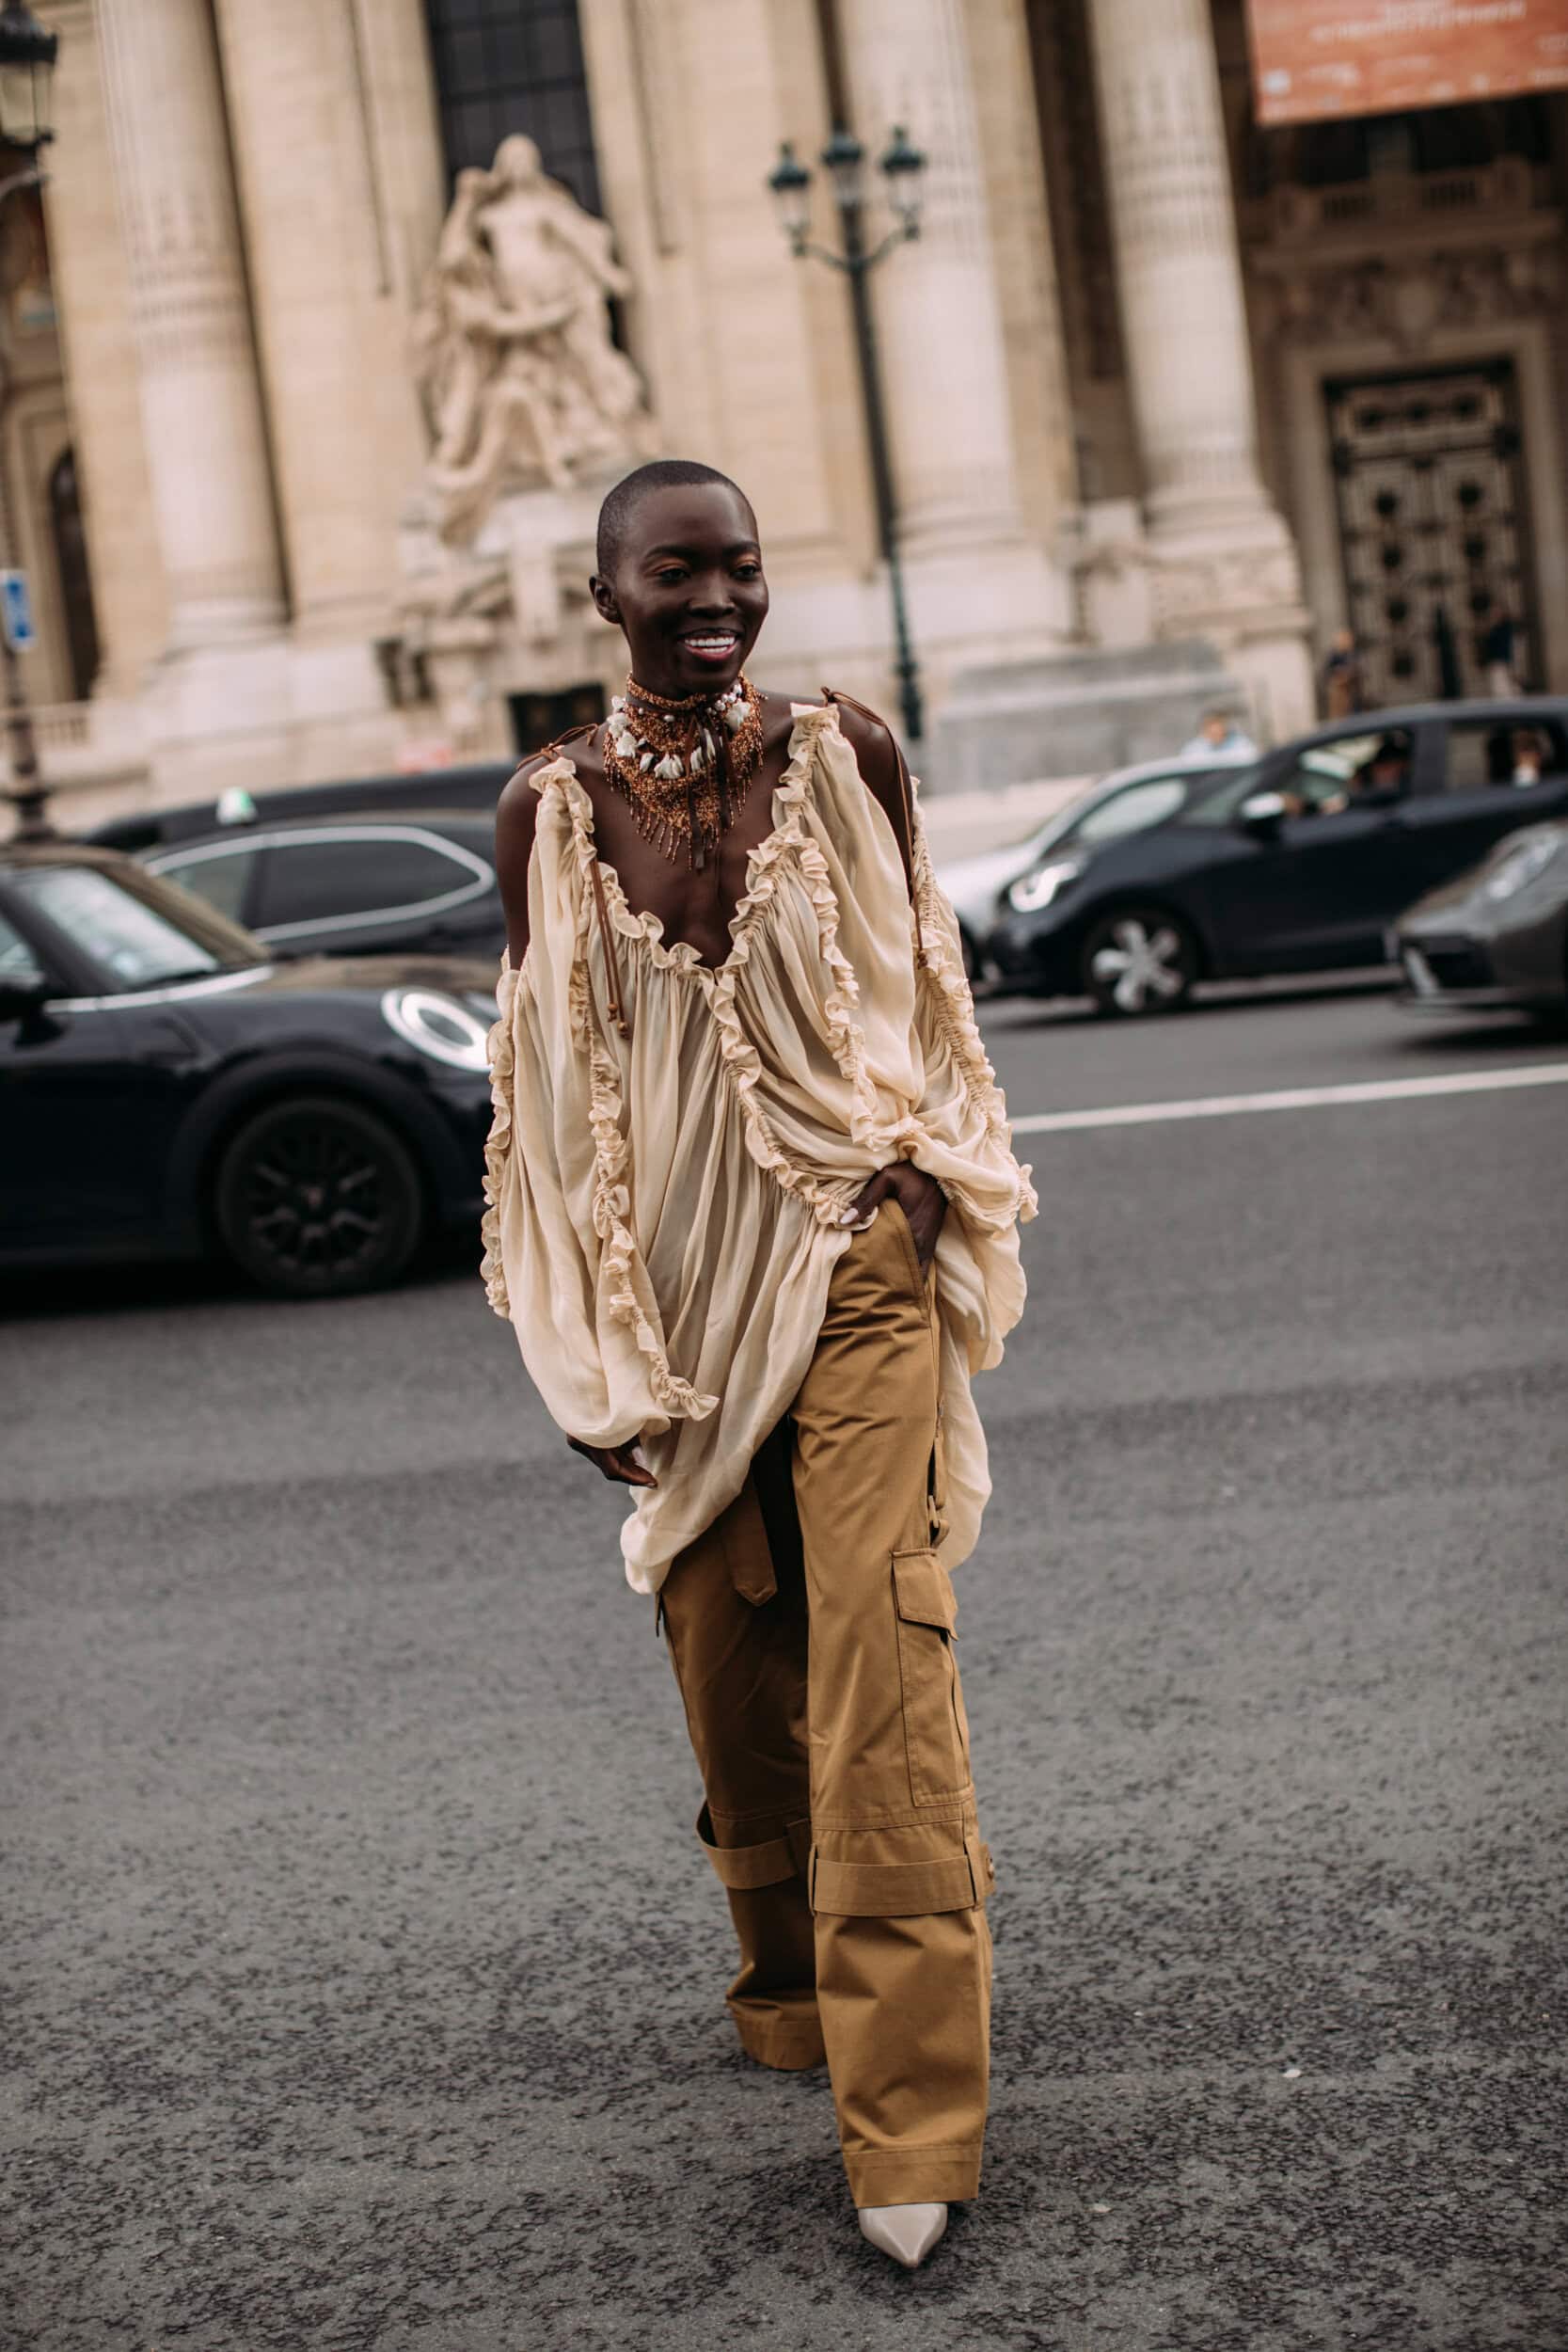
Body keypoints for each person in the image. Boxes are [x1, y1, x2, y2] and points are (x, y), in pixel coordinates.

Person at [483, 459, 1035, 2270]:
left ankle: (910, 2120)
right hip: (686, 1326)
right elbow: (546, 1102)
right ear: (606, 596)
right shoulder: (548, 813)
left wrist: (923, 1178)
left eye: (739, 569)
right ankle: (791, 1995)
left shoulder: (847, 756)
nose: (714, 600)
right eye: (674, 573)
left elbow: (925, 987)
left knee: (879, 1656)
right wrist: (588, 1359)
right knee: (733, 1665)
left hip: (857, 1265)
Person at [1180, 707, 1258, 760]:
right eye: (1210, 725)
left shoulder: (1240, 744)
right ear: (1204, 728)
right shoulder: (1194, 750)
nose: (1216, 730)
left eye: (1220, 724)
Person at [1322, 627, 1363, 720]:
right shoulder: (1334, 656)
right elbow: (1329, 673)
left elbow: (1354, 670)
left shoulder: (1353, 655)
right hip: (1340, 690)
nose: (1346, 643)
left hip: (1350, 693)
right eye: (1343, 640)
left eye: (1348, 640)